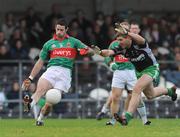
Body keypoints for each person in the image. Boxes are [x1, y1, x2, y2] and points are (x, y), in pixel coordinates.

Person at [92, 21, 177, 126]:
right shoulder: (121, 48)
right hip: (139, 72)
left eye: (121, 40)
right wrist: (99, 52)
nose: (119, 42)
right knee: (150, 95)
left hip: (151, 68)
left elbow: (142, 39)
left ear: (129, 38)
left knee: (136, 90)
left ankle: (127, 117)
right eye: (118, 40)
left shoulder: (139, 43)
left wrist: (127, 32)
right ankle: (170, 91)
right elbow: (109, 53)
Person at [22, 18, 95, 126]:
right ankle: (27, 107)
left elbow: (92, 52)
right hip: (51, 70)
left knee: (50, 102)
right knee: (39, 91)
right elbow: (40, 62)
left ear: (66, 29)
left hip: (65, 74)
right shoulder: (49, 44)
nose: (59, 32)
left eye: (61, 30)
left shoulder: (74, 42)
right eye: (57, 29)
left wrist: (87, 52)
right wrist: (30, 78)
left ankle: (40, 119)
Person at [96, 22, 151, 125]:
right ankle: (112, 121)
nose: (122, 30)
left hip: (132, 72)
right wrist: (111, 64)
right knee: (115, 97)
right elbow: (108, 56)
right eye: (121, 28)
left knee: (137, 97)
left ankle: (145, 120)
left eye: (125, 29)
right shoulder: (114, 43)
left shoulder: (134, 41)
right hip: (119, 72)